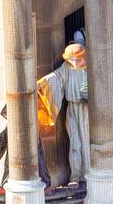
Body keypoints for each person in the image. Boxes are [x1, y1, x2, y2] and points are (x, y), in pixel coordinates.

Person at [37, 42, 91, 186]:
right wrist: (41, 84)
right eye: (71, 59)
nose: (73, 62)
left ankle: (89, 175)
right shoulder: (67, 67)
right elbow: (56, 77)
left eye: (76, 59)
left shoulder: (92, 67)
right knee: (75, 143)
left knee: (87, 142)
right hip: (73, 109)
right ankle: (76, 177)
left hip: (88, 110)